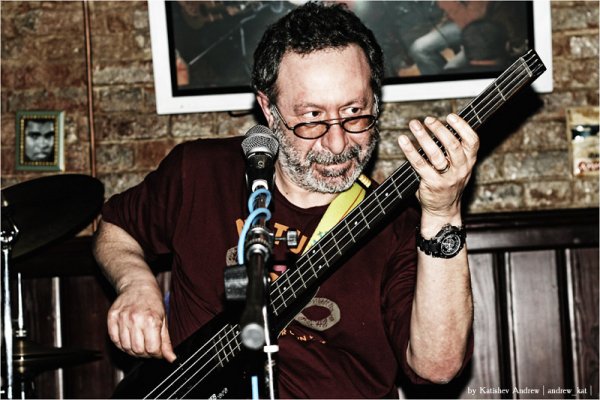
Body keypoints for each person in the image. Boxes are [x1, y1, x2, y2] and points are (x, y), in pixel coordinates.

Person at [93, 2, 478, 398]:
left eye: (354, 112)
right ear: (269, 109)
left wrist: (444, 212)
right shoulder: (200, 172)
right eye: (311, 117)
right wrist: (135, 283)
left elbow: (438, 367)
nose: (337, 142)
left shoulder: (397, 225)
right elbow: (115, 227)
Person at [409, 1, 489, 75]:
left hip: (481, 26)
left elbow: (478, 15)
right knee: (418, 48)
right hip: (456, 24)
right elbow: (448, 13)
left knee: (449, 69)